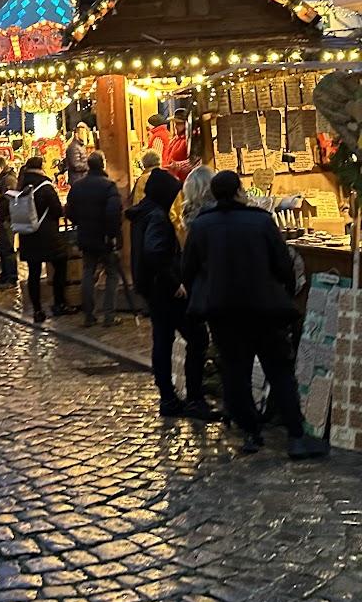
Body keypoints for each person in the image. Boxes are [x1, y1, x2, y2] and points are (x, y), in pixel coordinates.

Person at [183, 171, 327, 459]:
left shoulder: (201, 226)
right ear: (238, 191)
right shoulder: (260, 221)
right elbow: (283, 264)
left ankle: (250, 432)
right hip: (265, 308)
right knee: (280, 371)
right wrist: (283, 290)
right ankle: (296, 438)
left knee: (235, 373)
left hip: (224, 312)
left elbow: (189, 269)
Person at [127, 166, 214, 420]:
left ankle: (168, 398)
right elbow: (155, 252)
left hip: (153, 290)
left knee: (162, 342)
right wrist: (175, 281)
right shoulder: (156, 216)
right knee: (197, 338)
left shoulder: (143, 214)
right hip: (166, 291)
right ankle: (194, 398)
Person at [65, 151, 126, 328]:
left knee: (88, 273)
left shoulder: (78, 186)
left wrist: (80, 222)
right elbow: (113, 212)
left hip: (86, 235)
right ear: (102, 164)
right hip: (104, 237)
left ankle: (89, 315)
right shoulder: (108, 187)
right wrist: (112, 234)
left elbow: (69, 211)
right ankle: (109, 315)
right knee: (112, 274)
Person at [14, 156, 67, 323]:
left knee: (33, 273)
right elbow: (57, 210)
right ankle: (58, 303)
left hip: (28, 234)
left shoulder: (21, 186)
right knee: (60, 265)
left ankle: (37, 310)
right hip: (47, 235)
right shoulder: (45, 187)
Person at [0, 155, 18, 286]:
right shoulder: (0, 180)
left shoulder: (9, 180)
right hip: (1, 218)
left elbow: (10, 199)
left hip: (7, 218)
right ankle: (5, 275)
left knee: (7, 248)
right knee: (2, 248)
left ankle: (11, 276)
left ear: (1, 167)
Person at [162, 109, 193, 180]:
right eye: (175, 123)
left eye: (179, 124)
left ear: (187, 124)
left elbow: (195, 162)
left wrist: (177, 166)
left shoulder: (191, 140)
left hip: (185, 182)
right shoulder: (174, 139)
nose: (175, 126)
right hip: (173, 181)